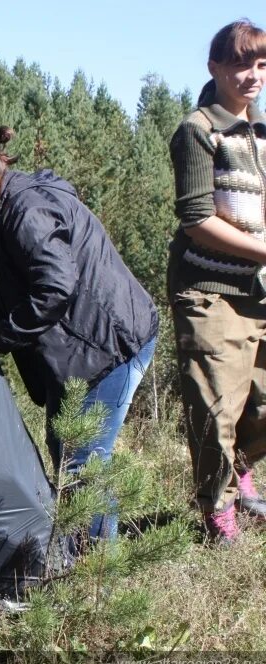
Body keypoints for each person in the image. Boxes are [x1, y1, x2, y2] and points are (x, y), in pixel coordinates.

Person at [0, 126, 158, 543]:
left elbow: (55, 287)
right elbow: (1, 302)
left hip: (110, 345)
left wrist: (0, 340)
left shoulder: (26, 210)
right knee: (67, 450)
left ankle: (95, 572)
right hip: (82, 348)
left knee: (82, 463)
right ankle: (79, 557)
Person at [168, 19, 266, 542]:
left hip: (261, 292)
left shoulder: (262, 132)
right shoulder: (199, 129)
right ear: (215, 68)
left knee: (262, 404)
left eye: (261, 64)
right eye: (240, 64)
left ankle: (240, 475)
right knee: (216, 408)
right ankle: (217, 507)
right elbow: (196, 217)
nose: (252, 75)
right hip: (210, 291)